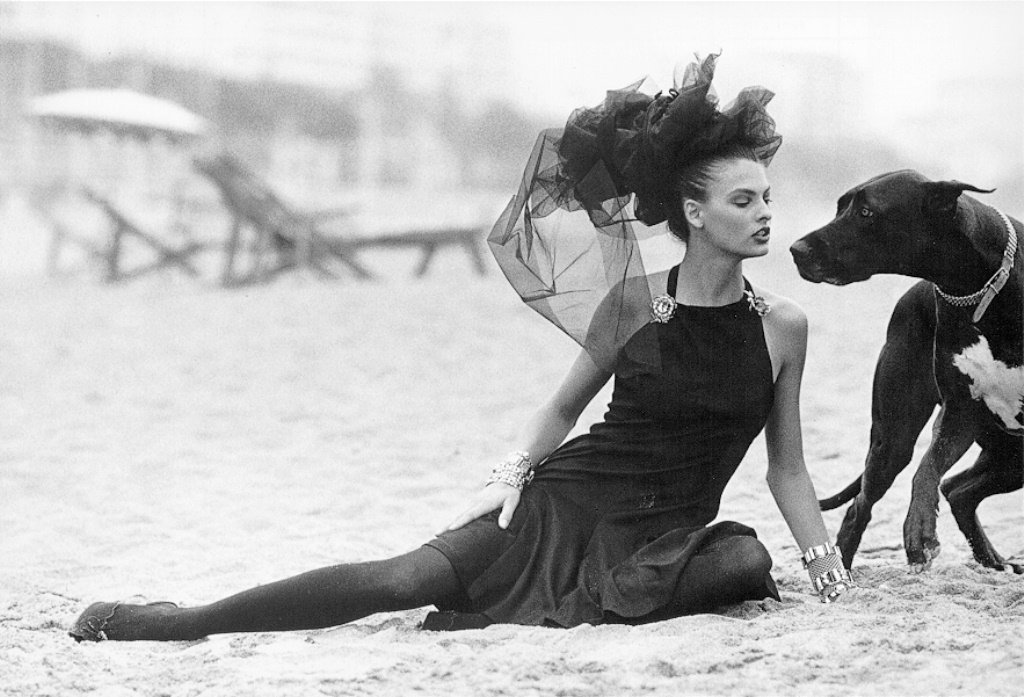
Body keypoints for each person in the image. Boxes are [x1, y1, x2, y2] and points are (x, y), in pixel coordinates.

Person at [69, 54, 851, 643]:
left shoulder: (782, 326)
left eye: (767, 197)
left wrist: (825, 568)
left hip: (666, 540)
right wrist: (509, 477)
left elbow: (786, 467)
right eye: (744, 199)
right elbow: (561, 408)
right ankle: (178, 620)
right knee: (403, 578)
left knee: (744, 562)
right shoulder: (635, 303)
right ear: (695, 211)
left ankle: (566, 604)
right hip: (563, 507)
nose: (764, 213)